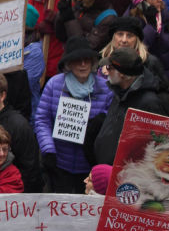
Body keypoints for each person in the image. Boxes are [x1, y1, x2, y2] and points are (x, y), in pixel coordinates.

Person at [34, 37, 113, 193]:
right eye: (77, 60)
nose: (83, 64)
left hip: (90, 167)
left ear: (92, 62)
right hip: (59, 163)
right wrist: (48, 149)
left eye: (86, 60)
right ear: (68, 64)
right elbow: (42, 120)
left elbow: (110, 122)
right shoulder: (54, 84)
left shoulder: (106, 88)